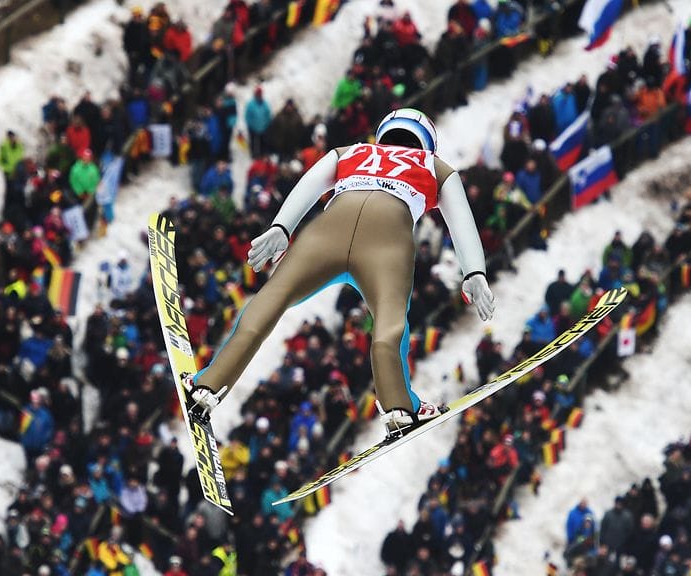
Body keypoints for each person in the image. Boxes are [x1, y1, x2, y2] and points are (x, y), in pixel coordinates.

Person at [188, 109, 495, 436]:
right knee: (389, 324)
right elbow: (461, 221)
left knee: (272, 298)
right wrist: (474, 271)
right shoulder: (434, 166)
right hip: (387, 238)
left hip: (328, 231)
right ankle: (398, 406)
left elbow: (309, 184)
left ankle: (209, 384)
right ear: (428, 144)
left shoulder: (351, 152)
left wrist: (282, 226)